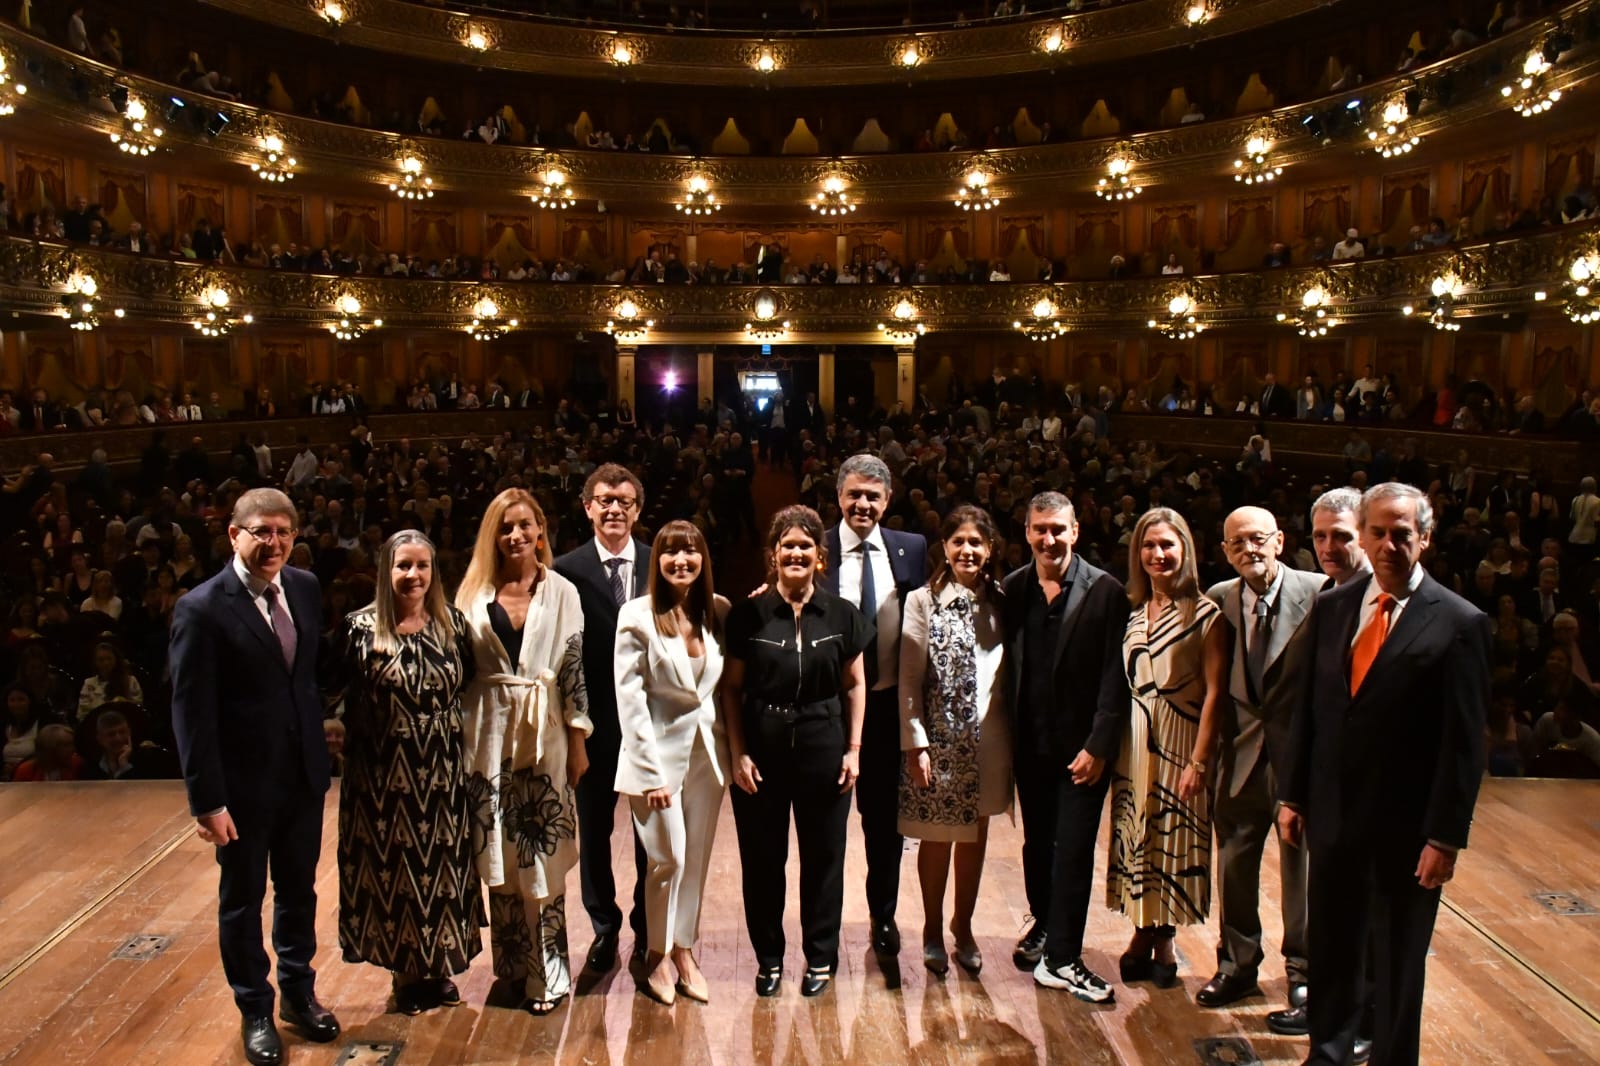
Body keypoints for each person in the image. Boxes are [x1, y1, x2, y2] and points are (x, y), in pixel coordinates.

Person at [1279, 483, 1491, 1066]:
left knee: (1397, 965)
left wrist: (1445, 838)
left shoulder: (1460, 623)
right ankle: (1327, 1055)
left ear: (1424, 538)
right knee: (1333, 949)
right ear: (1365, 534)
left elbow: (1464, 745)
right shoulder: (1333, 606)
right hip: (1334, 817)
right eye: (1379, 531)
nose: (1390, 543)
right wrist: (1293, 795)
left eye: (1403, 533)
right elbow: (1312, 711)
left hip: (1406, 832)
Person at [171, 488, 340, 1066]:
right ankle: (255, 1011)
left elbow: (311, 675)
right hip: (241, 790)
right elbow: (190, 713)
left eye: (284, 532)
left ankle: (298, 993)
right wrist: (207, 800)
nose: (273, 543)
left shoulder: (305, 587)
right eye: (262, 532)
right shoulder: (202, 607)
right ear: (234, 535)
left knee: (298, 891)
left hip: (302, 777)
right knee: (242, 901)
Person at [723, 505, 871, 999]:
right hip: (762, 745)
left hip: (824, 741)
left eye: (805, 545)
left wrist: (854, 748)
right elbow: (731, 690)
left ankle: (821, 957)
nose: (796, 553)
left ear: (820, 557)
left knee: (824, 857)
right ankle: (769, 959)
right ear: (773, 555)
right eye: (787, 545)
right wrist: (738, 753)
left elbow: (855, 683)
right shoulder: (748, 614)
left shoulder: (844, 615)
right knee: (763, 860)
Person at [331, 530, 480, 1015]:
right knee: (394, 876)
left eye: (421, 566)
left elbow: (471, 683)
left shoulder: (453, 623)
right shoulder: (358, 628)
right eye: (402, 566)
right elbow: (331, 690)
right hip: (381, 775)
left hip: (443, 768)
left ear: (434, 572)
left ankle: (437, 968)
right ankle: (405, 973)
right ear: (386, 571)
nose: (412, 575)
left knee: (441, 871)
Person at [457, 489, 591, 1016]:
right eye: (504, 527)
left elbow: (575, 665)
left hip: (546, 732)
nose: (515, 536)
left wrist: (579, 742)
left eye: (524, 525)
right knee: (499, 852)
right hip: (486, 731)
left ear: (541, 529)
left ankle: (549, 974)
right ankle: (511, 969)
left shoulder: (562, 591)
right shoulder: (471, 593)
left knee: (541, 857)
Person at [1197, 507, 1324, 1027]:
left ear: (1280, 541)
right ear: (1225, 551)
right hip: (1240, 753)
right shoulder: (1218, 599)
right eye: (1237, 543)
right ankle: (1238, 965)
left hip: (1300, 759)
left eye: (1257, 539)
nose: (1249, 549)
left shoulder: (1319, 593)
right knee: (1234, 863)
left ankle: (1306, 972)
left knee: (1303, 871)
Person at [1004, 491, 1130, 1002]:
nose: (1049, 539)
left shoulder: (1106, 591)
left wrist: (1099, 744)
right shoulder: (1014, 589)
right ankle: (1046, 926)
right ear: (1027, 533)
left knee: (1073, 850)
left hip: (1082, 752)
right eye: (1040, 529)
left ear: (1075, 531)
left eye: (1058, 529)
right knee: (1037, 845)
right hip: (1030, 746)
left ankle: (1063, 957)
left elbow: (1114, 677)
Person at [1106, 508, 1227, 990]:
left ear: (1185, 550)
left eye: (1167, 545)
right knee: (1138, 839)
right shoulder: (1132, 612)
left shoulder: (1206, 614)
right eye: (1149, 546)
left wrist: (1200, 759)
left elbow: (1216, 691)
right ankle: (1141, 931)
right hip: (1135, 745)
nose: (1158, 554)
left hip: (1182, 742)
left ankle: (1163, 939)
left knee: (1174, 843)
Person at [613, 521, 730, 1006]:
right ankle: (655, 954)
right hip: (655, 761)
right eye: (670, 553)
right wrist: (649, 772)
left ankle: (685, 951)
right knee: (668, 860)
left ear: (703, 558)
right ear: (655, 561)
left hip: (707, 756)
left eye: (691, 552)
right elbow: (631, 701)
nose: (681, 560)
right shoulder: (636, 615)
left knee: (696, 861)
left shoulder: (717, 610)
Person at [818, 453, 928, 959]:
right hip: (827, 711)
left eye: (873, 496)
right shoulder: (814, 548)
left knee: (884, 828)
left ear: (888, 501)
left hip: (884, 709)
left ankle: (883, 918)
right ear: (839, 496)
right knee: (827, 828)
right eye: (854, 494)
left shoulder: (911, 549)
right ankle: (826, 930)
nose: (863, 504)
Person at [898, 505, 1010, 976]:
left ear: (990, 550)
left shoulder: (1002, 600)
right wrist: (915, 742)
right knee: (937, 839)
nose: (968, 550)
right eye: (959, 540)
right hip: (939, 744)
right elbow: (909, 679)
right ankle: (930, 928)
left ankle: (963, 927)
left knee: (976, 838)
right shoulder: (922, 601)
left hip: (991, 743)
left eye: (977, 542)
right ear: (945, 546)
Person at [552, 463, 651, 973]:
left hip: (649, 727)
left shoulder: (662, 563)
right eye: (604, 500)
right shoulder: (564, 569)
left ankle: (647, 927)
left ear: (638, 509)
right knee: (593, 831)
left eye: (625, 502)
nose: (615, 509)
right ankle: (604, 927)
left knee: (648, 834)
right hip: (592, 726)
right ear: (587, 506)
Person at [1310, 487, 1370, 588]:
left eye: (1340, 536)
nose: (1329, 549)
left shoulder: (1386, 593)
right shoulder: (1323, 591)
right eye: (1320, 536)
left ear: (1365, 536)